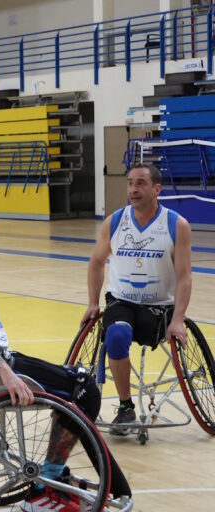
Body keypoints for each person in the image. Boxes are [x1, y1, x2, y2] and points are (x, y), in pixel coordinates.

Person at [0, 176, 131, 511]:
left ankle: (56, 479)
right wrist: (6, 372)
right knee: (84, 387)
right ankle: (48, 484)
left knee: (71, 380)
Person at [83, 162, 192, 435]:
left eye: (141, 183)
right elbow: (96, 263)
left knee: (137, 328)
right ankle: (125, 407)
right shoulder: (115, 222)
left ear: (157, 188)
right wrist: (94, 303)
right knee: (116, 337)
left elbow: (184, 277)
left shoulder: (176, 225)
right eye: (130, 183)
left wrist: (178, 319)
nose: (133, 189)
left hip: (159, 308)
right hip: (121, 301)